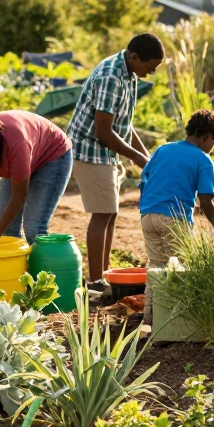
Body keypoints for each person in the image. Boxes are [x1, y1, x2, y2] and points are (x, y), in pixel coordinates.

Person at [67, 33, 165, 289]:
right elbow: (103, 131)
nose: (149, 73)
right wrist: (138, 159)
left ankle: (106, 274)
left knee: (110, 212)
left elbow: (124, 124)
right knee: (102, 213)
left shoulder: (129, 73)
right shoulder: (111, 76)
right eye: (149, 68)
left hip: (105, 150)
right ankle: (96, 281)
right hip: (90, 149)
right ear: (134, 57)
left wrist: (147, 158)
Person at [0, 106, 72, 249]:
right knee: (9, 232)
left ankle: (48, 270)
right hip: (22, 155)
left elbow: (18, 197)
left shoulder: (15, 143)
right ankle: (18, 270)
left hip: (51, 155)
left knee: (34, 228)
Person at [137, 109, 214, 268]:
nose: (213, 147)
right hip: (173, 219)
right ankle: (172, 294)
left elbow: (145, 178)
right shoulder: (203, 160)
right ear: (206, 136)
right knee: (180, 270)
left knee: (156, 267)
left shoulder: (163, 149)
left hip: (147, 216)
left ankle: (152, 294)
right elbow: (206, 202)